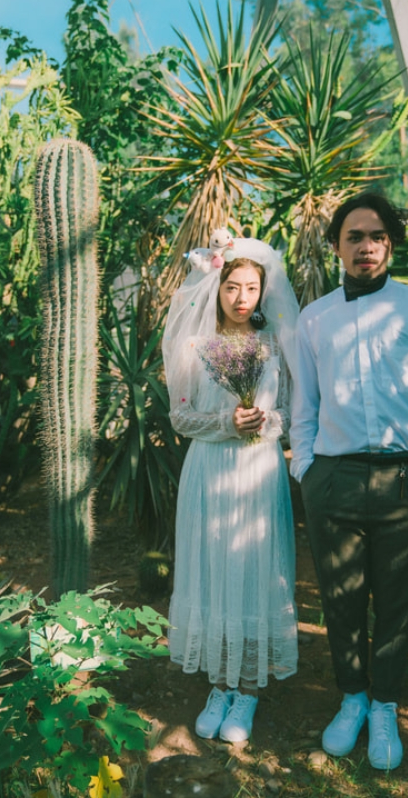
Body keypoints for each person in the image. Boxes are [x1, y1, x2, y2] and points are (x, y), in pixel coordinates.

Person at [289, 193, 408, 771]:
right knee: (339, 599)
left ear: (391, 243)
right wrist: (305, 471)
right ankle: (352, 698)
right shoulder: (315, 319)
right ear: (336, 245)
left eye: (378, 236)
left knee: (396, 600)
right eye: (355, 236)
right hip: (333, 480)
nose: (367, 246)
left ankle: (385, 705)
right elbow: (304, 406)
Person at [162, 237, 301, 743]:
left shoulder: (272, 347)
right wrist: (226, 420)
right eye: (232, 287)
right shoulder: (192, 348)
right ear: (215, 287)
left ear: (263, 291)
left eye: (251, 287)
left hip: (258, 475)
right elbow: (180, 417)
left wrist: (264, 421)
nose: (242, 297)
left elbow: (288, 412)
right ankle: (218, 685)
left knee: (253, 573)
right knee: (212, 570)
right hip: (210, 472)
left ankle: (247, 689)